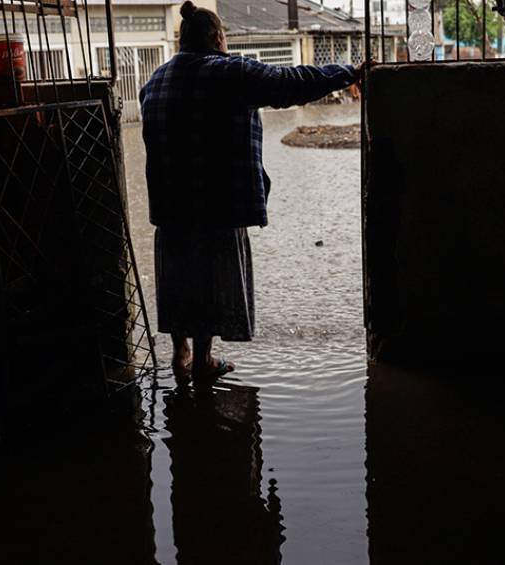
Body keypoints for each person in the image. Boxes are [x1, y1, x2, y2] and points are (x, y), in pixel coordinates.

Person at [140, 0, 366, 385]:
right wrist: (348, 73)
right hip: (217, 203)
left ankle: (181, 355)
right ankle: (204, 361)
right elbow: (292, 83)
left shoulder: (154, 82)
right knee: (212, 277)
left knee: (179, 276)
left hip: (170, 206)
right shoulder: (229, 72)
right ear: (218, 37)